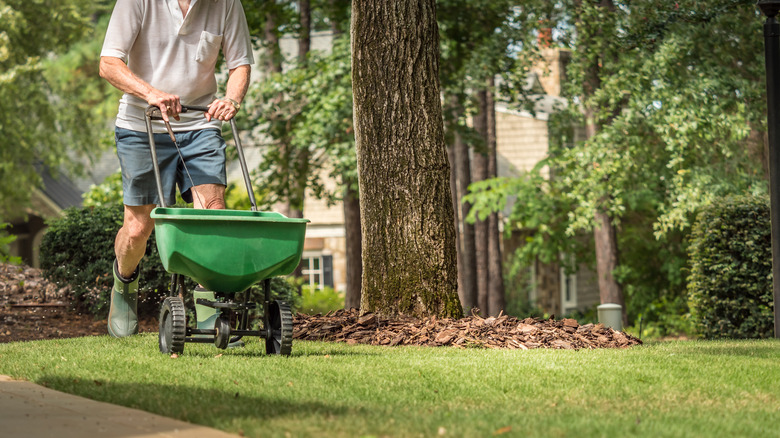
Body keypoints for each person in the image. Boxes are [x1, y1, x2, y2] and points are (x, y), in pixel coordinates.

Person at [99, 0, 253, 337]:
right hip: (142, 125)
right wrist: (151, 92)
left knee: (210, 214)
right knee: (138, 228)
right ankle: (124, 284)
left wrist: (232, 99)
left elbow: (240, 63)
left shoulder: (226, 4)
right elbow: (109, 64)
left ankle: (209, 306)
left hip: (201, 124)